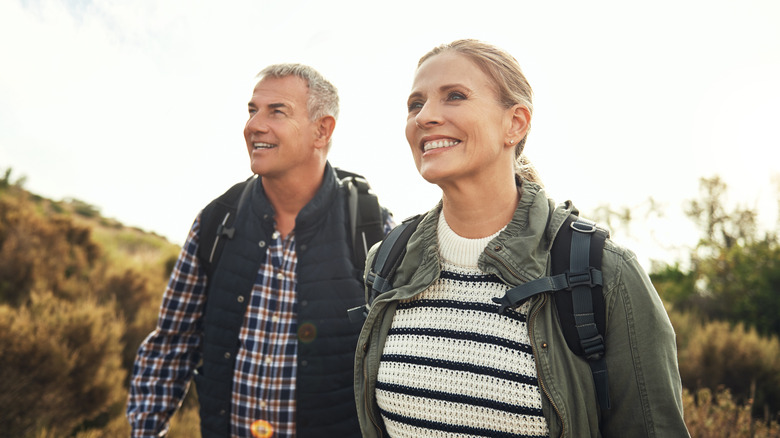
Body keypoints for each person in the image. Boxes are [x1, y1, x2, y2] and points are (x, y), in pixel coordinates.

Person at [354, 40, 690, 437]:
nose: (425, 117)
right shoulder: (388, 261)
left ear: (515, 123)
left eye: (455, 96)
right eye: (415, 104)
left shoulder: (604, 272)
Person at [127, 63, 392, 438]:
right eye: (252, 110)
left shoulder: (371, 227)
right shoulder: (216, 220)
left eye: (276, 111)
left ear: (322, 130)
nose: (254, 125)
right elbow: (171, 344)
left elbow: (398, 365)